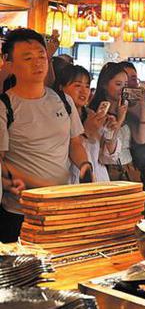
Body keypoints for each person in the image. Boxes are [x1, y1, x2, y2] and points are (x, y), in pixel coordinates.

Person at [0, 28, 90, 242]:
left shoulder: (63, 100)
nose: (38, 63)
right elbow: (1, 162)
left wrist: (85, 164)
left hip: (61, 205)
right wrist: (35, 184)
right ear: (9, 64)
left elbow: (74, 143)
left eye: (42, 56)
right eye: (28, 58)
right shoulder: (5, 106)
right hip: (21, 211)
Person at [58, 65, 125, 182]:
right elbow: (61, 152)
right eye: (77, 85)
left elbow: (108, 158)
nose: (84, 91)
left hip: (98, 180)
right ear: (61, 88)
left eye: (87, 86)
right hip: (71, 182)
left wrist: (112, 131)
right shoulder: (57, 117)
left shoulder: (92, 115)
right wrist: (86, 132)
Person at [89, 62, 145, 182]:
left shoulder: (127, 111)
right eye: (118, 84)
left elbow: (141, 139)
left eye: (125, 85)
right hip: (107, 170)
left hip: (129, 168)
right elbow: (104, 151)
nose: (122, 89)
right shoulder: (96, 113)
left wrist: (143, 105)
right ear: (105, 85)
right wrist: (119, 120)